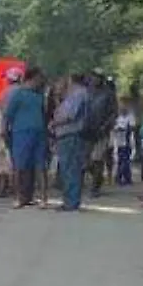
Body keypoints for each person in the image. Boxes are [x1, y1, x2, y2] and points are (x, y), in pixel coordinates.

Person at [6, 67, 50, 209]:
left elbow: (44, 113)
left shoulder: (39, 96)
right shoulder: (18, 94)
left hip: (39, 133)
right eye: (39, 79)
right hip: (21, 133)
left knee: (40, 166)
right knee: (19, 166)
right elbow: (9, 114)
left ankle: (43, 197)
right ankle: (18, 197)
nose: (41, 82)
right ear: (32, 78)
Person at [49, 72, 89, 212]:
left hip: (71, 134)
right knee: (67, 168)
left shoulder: (77, 95)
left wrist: (54, 123)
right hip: (66, 135)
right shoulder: (69, 96)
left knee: (71, 168)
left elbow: (70, 115)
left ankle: (71, 202)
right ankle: (69, 199)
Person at [112, 96, 137, 186]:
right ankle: (124, 178)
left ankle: (121, 177)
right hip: (118, 141)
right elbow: (113, 127)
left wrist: (125, 128)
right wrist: (117, 129)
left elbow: (133, 127)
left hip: (127, 141)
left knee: (125, 160)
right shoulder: (116, 117)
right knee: (120, 160)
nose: (122, 108)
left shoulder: (130, 116)